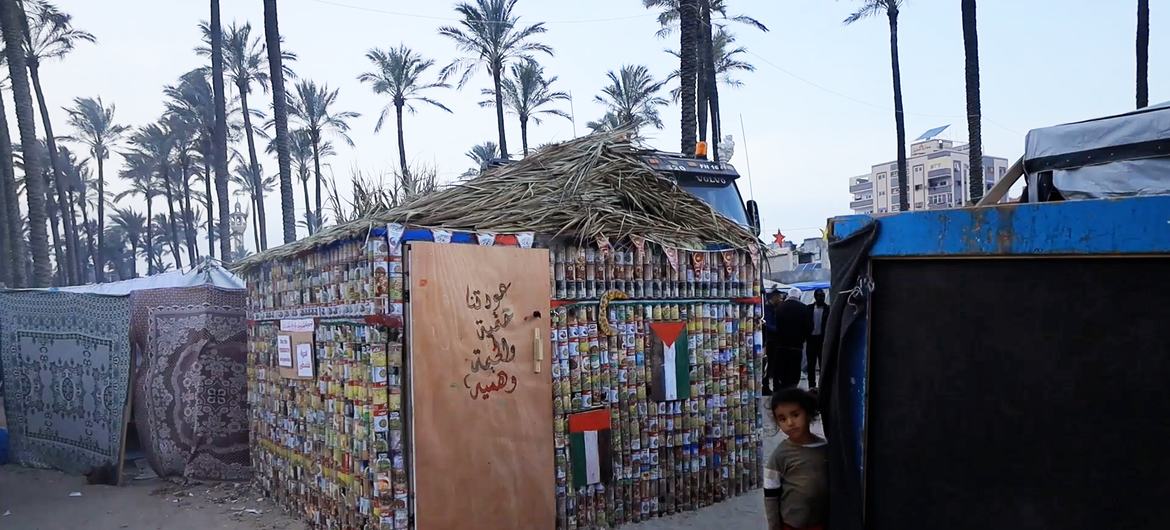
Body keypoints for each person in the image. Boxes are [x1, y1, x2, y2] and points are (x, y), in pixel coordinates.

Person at [765, 388, 828, 530]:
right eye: (782, 419)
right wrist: (774, 526)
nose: (790, 423)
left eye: (795, 415)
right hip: (791, 524)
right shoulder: (780, 455)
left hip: (820, 522)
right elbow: (770, 495)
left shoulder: (824, 448)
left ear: (808, 413)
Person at [774, 287, 812, 389]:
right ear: (799, 297)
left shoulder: (779, 308)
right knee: (794, 369)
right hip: (796, 345)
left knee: (783, 368)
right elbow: (808, 327)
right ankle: (792, 389)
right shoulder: (804, 308)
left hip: (781, 345)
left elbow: (775, 326)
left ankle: (783, 388)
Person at [763, 289, 786, 395]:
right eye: (778, 297)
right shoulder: (767, 309)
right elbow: (768, 325)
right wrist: (779, 329)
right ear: (774, 297)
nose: (780, 299)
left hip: (774, 341)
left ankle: (775, 385)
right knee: (769, 364)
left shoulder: (775, 308)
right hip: (770, 341)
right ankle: (766, 385)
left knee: (774, 364)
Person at [806, 289, 830, 391]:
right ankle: (811, 385)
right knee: (811, 364)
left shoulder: (828, 309)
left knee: (822, 363)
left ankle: (823, 385)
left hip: (822, 339)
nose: (821, 298)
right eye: (819, 296)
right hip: (811, 339)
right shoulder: (809, 308)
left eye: (823, 296)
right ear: (815, 297)